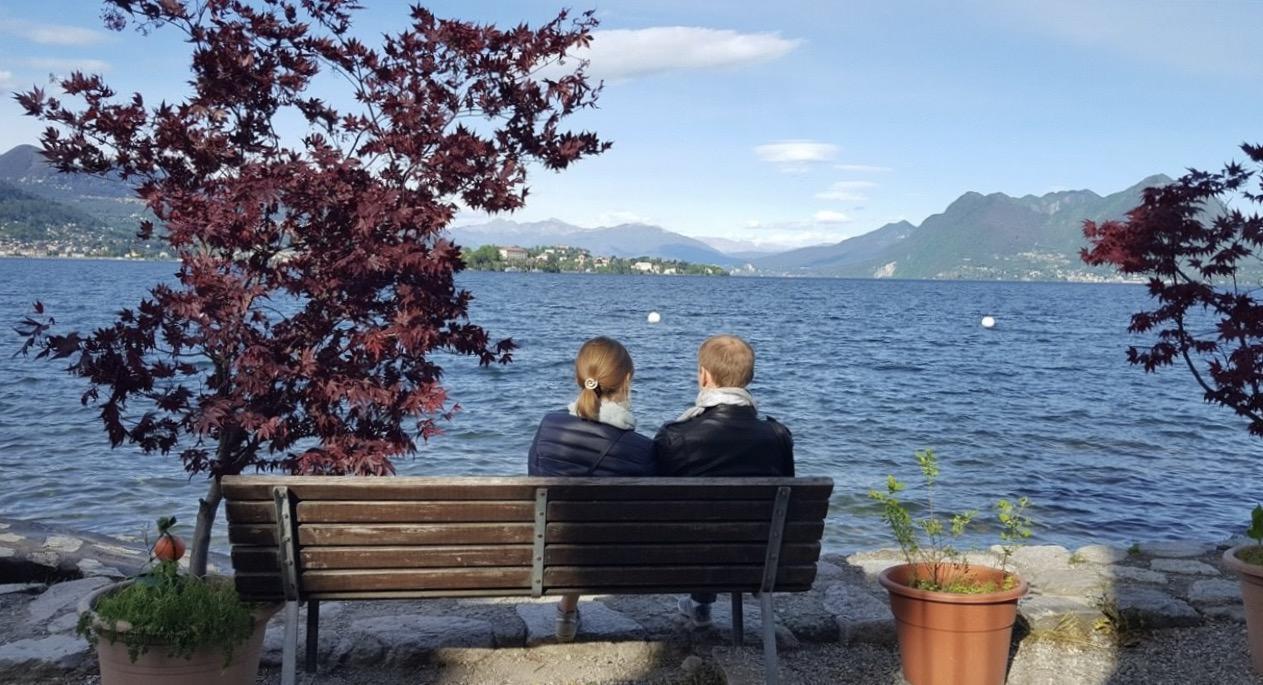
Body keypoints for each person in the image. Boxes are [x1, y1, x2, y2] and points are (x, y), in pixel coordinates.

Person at [652, 334, 794, 628]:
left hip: (684, 562)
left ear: (704, 377)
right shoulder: (778, 436)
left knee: (699, 521)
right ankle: (703, 604)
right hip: (759, 560)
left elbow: (659, 508)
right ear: (749, 378)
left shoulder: (675, 436)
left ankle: (701, 601)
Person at [527, 336, 655, 641]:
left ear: (579, 378)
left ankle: (567, 611)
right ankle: (567, 610)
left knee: (570, 523)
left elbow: (534, 480)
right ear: (627, 381)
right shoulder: (643, 450)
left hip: (548, 554)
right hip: (620, 560)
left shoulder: (548, 426)